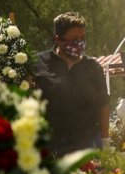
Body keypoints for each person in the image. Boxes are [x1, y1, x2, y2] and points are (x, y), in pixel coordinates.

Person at [33, 12, 110, 156]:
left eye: (83, 38)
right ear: (58, 39)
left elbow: (103, 105)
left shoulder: (93, 68)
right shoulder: (38, 64)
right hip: (49, 148)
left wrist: (106, 141)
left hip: (86, 146)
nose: (80, 43)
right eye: (74, 39)